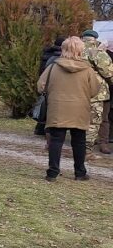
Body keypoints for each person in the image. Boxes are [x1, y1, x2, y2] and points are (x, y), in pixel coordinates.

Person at [40, 36, 100, 181]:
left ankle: (52, 173)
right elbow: (94, 90)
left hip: (57, 108)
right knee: (79, 141)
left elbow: (41, 86)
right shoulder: (87, 70)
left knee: (55, 140)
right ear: (80, 50)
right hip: (79, 109)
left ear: (63, 49)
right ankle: (80, 173)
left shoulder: (53, 67)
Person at [81, 30, 113, 156]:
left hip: (75, 90)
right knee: (97, 120)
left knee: (77, 118)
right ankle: (88, 149)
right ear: (95, 39)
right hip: (97, 92)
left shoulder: (73, 49)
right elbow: (109, 73)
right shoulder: (97, 52)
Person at [35, 36, 66, 136]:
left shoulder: (46, 53)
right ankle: (49, 132)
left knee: (44, 107)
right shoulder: (60, 57)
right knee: (52, 110)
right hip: (55, 84)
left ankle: (39, 128)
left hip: (45, 81)